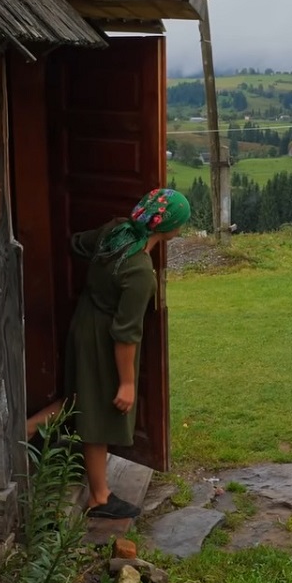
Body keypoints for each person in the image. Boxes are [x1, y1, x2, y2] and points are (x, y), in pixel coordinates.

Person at [55, 188, 191, 519]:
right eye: (181, 222)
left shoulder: (115, 231)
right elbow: (125, 334)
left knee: (82, 397)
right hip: (103, 339)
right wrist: (128, 383)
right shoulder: (140, 271)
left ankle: (29, 429)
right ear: (168, 227)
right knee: (100, 411)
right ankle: (100, 496)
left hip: (82, 322)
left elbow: (77, 244)